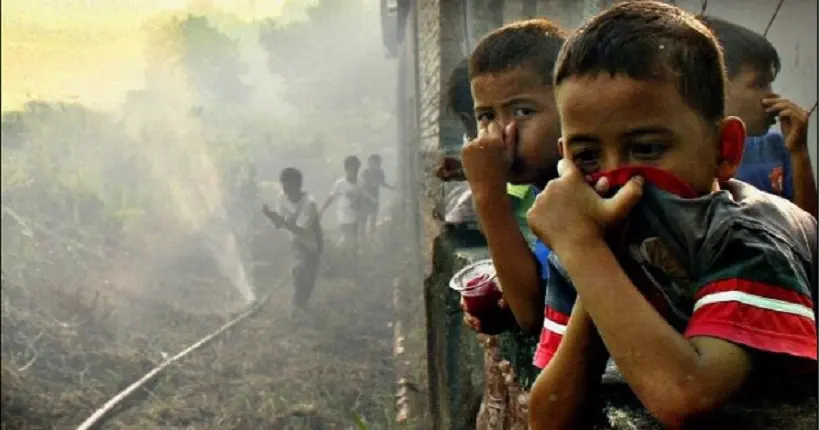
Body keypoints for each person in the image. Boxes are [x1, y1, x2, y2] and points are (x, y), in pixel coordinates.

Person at [525, 2, 818, 429]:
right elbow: (549, 418)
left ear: (725, 151)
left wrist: (586, 250)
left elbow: (687, 396)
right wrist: (599, 258)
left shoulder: (746, 235)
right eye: (587, 157)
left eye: (646, 149)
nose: (617, 179)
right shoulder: (590, 245)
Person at [459, 18, 569, 373]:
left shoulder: (578, 191)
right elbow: (533, 296)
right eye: (486, 116)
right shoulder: (546, 189)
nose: (500, 133)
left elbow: (531, 314)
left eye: (523, 112)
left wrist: (488, 196)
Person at [698, 15, 817, 217]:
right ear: (717, 86)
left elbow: (809, 232)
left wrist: (799, 153)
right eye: (758, 84)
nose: (771, 96)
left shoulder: (777, 147)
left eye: (769, 84)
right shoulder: (690, 155)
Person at [262, 167, 323, 314]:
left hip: (312, 242)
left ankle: (302, 303)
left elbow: (301, 229)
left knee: (309, 275)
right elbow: (279, 223)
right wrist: (271, 216)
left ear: (297, 186)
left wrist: (280, 220)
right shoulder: (282, 197)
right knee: (300, 267)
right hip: (296, 241)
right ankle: (296, 303)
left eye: (288, 188)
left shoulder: (309, 204)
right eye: (284, 187)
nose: (286, 192)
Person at [320, 155, 366, 262]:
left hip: (355, 215)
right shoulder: (340, 183)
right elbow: (330, 198)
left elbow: (362, 197)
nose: (353, 173)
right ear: (346, 170)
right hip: (343, 214)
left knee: (350, 238)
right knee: (351, 240)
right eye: (351, 170)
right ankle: (351, 262)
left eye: (356, 170)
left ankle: (339, 252)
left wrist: (359, 205)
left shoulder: (361, 183)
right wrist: (321, 211)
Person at [361, 153, 393, 237]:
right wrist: (370, 197)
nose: (374, 166)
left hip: (375, 200)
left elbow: (383, 183)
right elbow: (362, 188)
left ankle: (371, 238)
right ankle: (362, 239)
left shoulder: (380, 173)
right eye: (372, 163)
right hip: (365, 200)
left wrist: (393, 188)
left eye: (377, 163)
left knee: (373, 221)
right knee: (363, 221)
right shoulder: (365, 173)